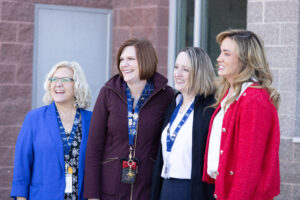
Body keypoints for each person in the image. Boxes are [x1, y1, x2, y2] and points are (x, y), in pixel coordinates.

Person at [84, 38, 174, 200]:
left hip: (148, 189)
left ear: (146, 60)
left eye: (130, 59)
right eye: (121, 60)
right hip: (111, 190)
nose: (124, 64)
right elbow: (93, 148)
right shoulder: (108, 92)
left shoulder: (166, 95)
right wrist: (92, 196)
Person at [202, 29, 280, 200]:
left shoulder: (254, 99)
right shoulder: (231, 94)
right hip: (223, 190)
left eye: (226, 54)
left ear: (245, 59)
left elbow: (249, 167)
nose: (219, 58)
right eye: (221, 52)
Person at [11, 61, 92, 200]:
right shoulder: (34, 118)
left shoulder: (92, 120)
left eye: (65, 79)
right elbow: (22, 166)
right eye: (54, 79)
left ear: (77, 85)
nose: (58, 84)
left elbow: (97, 166)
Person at [151, 47, 216, 200]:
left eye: (185, 69)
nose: (177, 74)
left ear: (199, 73)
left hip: (191, 190)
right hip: (166, 187)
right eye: (176, 67)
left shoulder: (209, 109)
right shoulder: (174, 104)